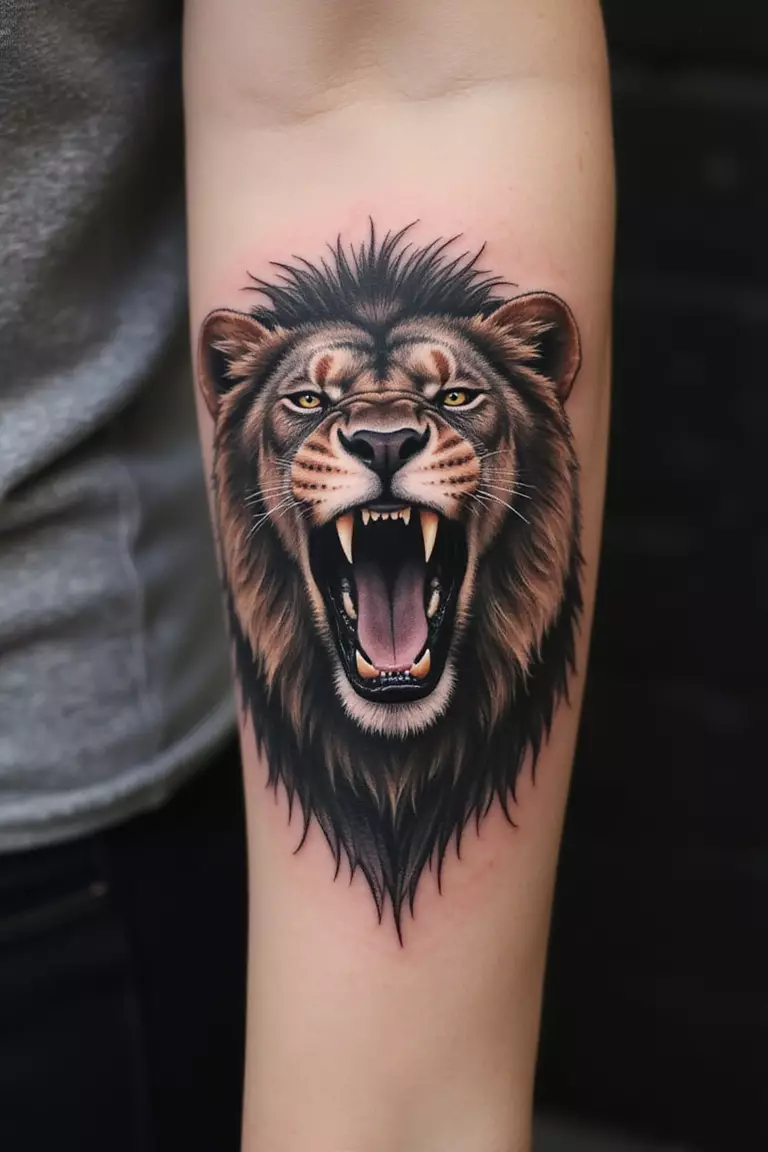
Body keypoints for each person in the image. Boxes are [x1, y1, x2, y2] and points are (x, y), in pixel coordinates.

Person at [1, 2, 613, 1150]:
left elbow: (394, 89)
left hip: (52, 844)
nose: (383, 429)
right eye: (320, 406)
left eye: (454, 398)